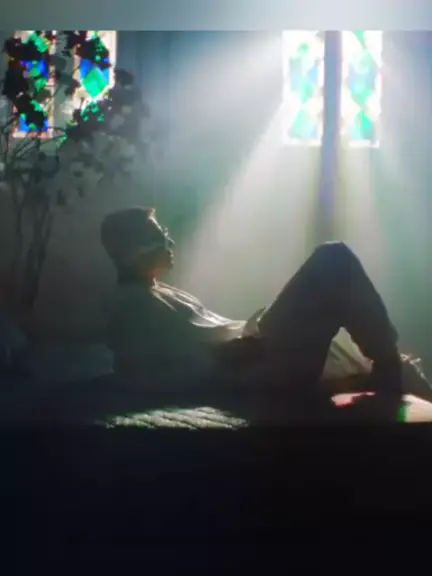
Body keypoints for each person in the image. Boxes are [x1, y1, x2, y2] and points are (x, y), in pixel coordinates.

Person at [100, 206, 403, 411]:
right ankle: (387, 362)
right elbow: (142, 373)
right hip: (253, 368)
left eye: (165, 233)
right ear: (133, 250)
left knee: (333, 263)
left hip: (256, 351)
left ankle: (386, 361)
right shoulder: (127, 306)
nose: (169, 242)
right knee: (332, 259)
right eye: (158, 237)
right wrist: (221, 357)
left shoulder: (157, 290)